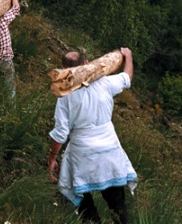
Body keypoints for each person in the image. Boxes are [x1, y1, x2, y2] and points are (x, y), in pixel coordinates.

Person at [48, 48, 137, 224]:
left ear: (64, 70)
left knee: (84, 203)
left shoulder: (65, 96)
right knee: (117, 205)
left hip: (82, 155)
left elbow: (60, 133)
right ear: (88, 64)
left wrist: (52, 158)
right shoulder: (105, 83)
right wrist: (128, 56)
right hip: (109, 152)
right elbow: (127, 78)